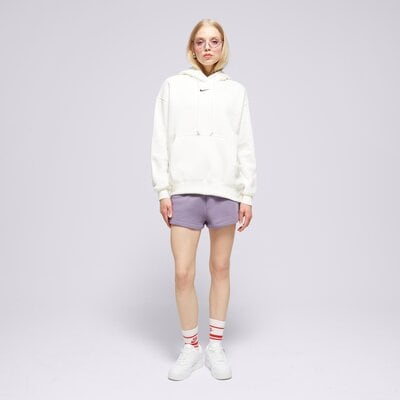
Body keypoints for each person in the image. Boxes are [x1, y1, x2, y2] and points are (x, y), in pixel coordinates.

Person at [150, 18, 257, 381]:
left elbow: (245, 144)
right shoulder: (173, 86)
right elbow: (160, 139)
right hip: (184, 190)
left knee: (220, 268)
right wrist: (163, 189)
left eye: (214, 41)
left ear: (223, 46)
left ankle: (215, 345)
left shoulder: (236, 91)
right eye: (200, 41)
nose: (207, 47)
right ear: (192, 47)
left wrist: (247, 193)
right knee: (183, 272)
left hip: (225, 190)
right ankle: (191, 347)